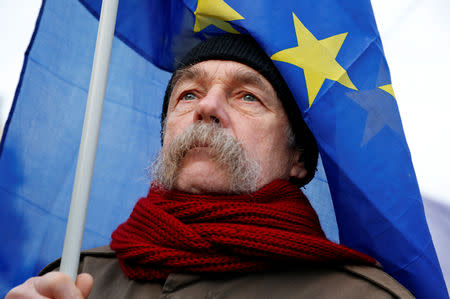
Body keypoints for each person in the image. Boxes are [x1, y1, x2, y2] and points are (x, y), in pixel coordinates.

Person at [6, 34, 414, 298]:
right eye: (188, 94)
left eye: (247, 97)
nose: (207, 106)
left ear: (299, 159)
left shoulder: (363, 296)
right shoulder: (71, 282)